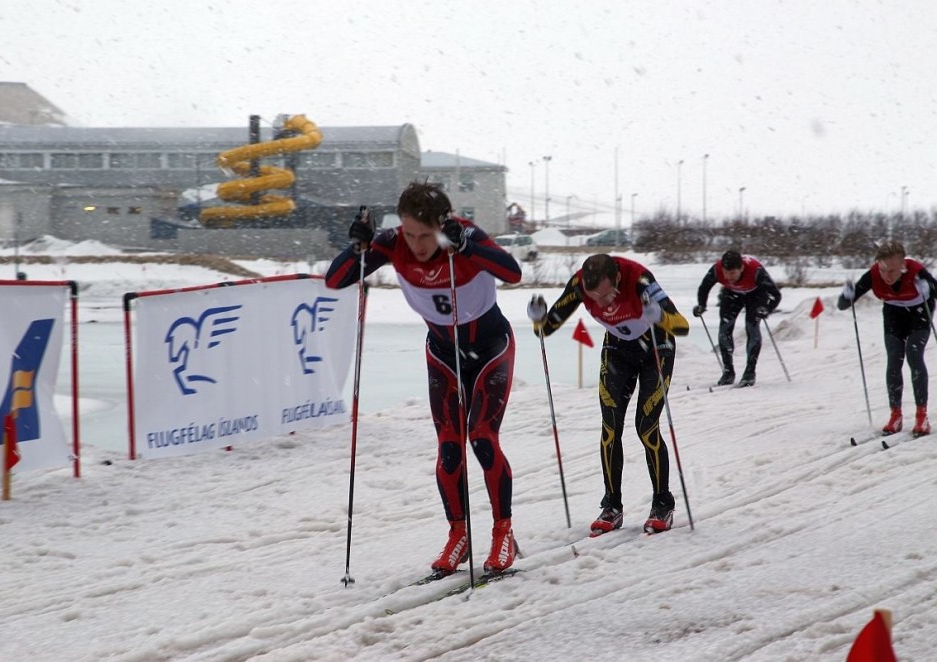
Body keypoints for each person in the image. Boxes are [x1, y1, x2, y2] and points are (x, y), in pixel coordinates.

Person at [325, 182, 522, 575]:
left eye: (424, 234)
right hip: (443, 352)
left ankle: (503, 532)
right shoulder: (393, 242)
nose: (415, 244)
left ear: (443, 224)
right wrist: (357, 246)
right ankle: (458, 534)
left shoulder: (463, 236)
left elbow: (512, 274)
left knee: (481, 437)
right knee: (449, 447)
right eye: (409, 233)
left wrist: (468, 247)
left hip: (490, 349)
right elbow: (336, 280)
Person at [527, 254, 689, 535]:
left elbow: (682, 325)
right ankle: (612, 505)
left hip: (656, 349)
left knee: (646, 428)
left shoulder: (640, 280)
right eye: (594, 297)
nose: (603, 304)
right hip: (618, 350)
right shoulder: (580, 283)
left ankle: (662, 502)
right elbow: (548, 327)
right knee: (610, 428)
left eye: (607, 295)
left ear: (617, 278)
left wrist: (660, 317)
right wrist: (537, 319)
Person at [837, 240, 936, 436]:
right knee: (894, 359)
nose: (886, 276)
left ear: (903, 266)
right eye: (883, 269)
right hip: (894, 313)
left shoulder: (916, 271)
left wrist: (929, 289)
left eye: (891, 271)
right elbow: (843, 305)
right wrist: (846, 295)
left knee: (914, 356)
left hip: (919, 313)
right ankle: (895, 414)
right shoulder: (874, 274)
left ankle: (921, 415)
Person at [693, 250, 782, 387]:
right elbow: (704, 287)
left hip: (756, 295)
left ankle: (750, 372)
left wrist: (767, 309)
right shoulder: (717, 270)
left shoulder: (755, 270)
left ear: (741, 268)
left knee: (751, 327)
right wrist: (701, 305)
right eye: (726, 273)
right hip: (732, 294)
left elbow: (775, 295)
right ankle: (728, 371)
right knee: (725, 328)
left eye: (733, 273)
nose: (729, 277)